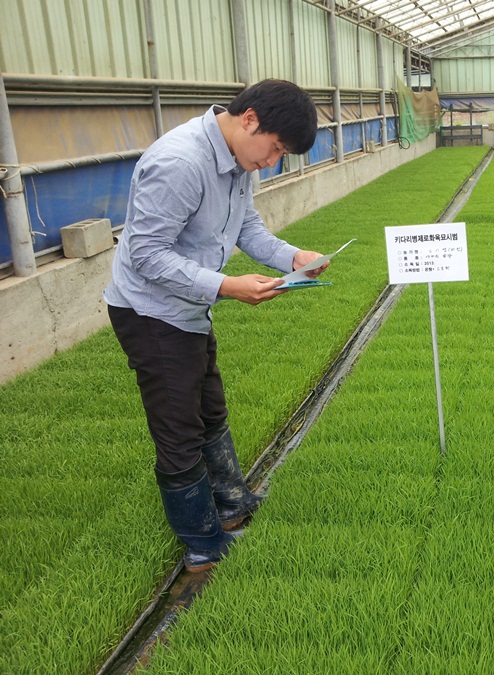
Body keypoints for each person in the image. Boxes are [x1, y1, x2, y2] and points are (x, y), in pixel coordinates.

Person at [105, 80, 328, 572]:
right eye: (274, 149)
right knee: (178, 427)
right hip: (151, 314)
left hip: (188, 308)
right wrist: (227, 286)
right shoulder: (181, 163)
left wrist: (294, 256)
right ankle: (202, 542)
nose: (272, 162)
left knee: (209, 405)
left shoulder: (237, 160)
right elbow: (146, 255)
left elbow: (246, 227)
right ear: (249, 119)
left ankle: (230, 500)